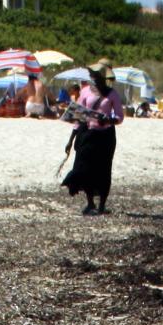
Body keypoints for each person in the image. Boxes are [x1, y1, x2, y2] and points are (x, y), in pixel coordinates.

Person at [60, 60, 123, 214]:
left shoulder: (112, 94)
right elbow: (78, 116)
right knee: (84, 168)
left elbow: (120, 117)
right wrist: (70, 140)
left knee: (104, 169)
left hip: (105, 136)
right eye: (92, 75)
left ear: (102, 76)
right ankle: (90, 204)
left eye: (94, 74)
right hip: (86, 134)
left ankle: (102, 205)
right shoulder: (86, 91)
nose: (92, 77)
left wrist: (108, 120)